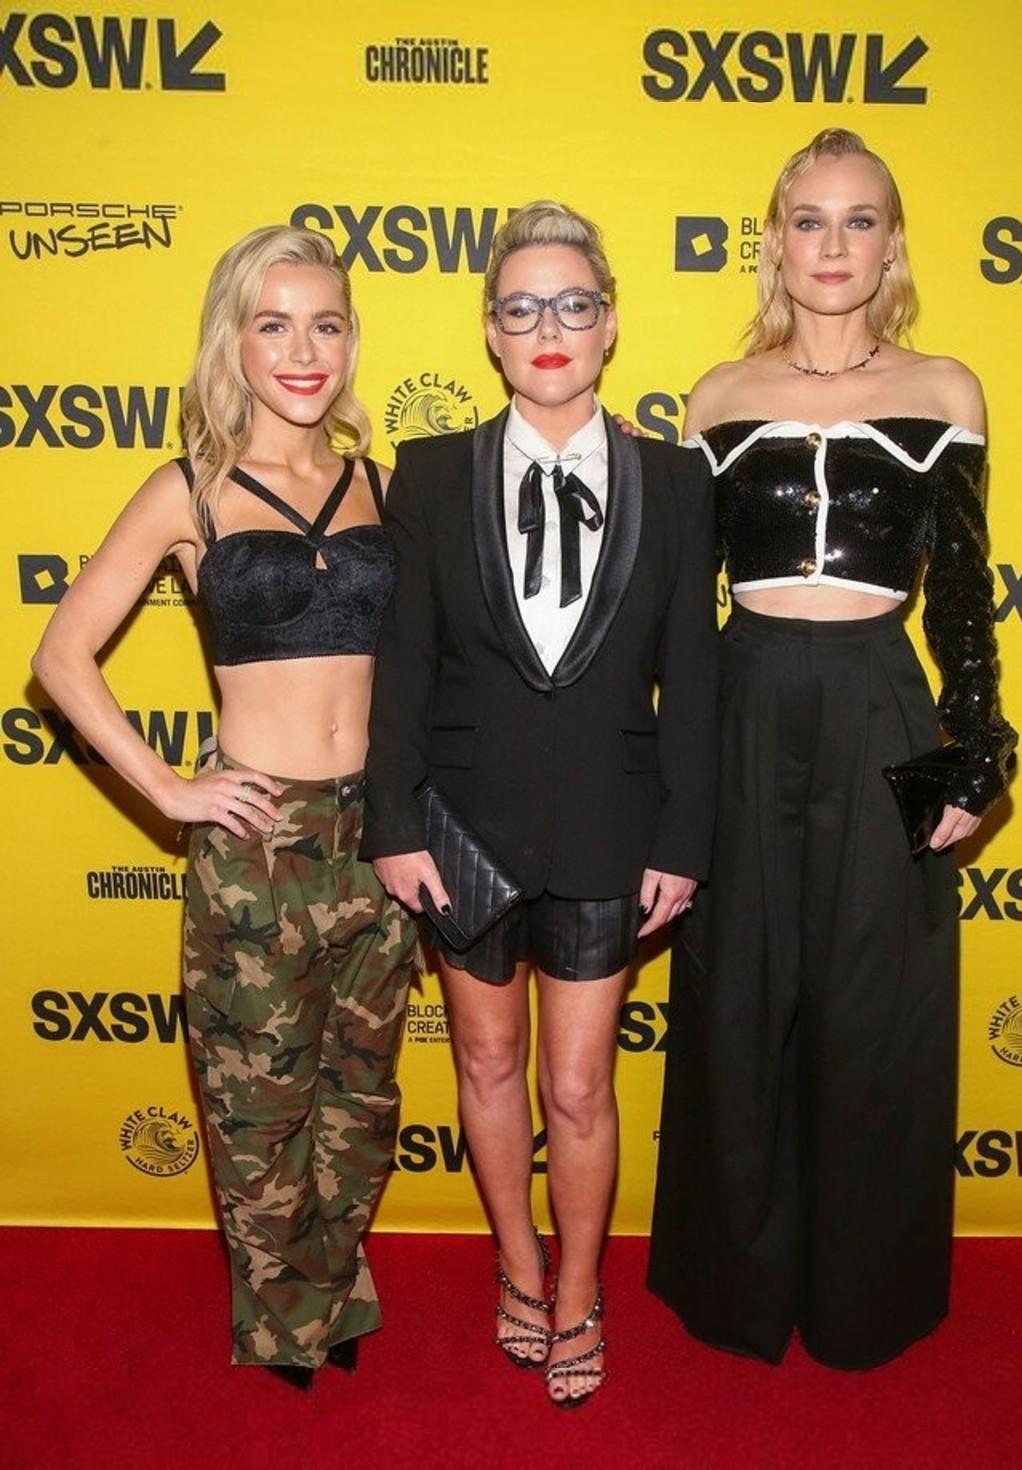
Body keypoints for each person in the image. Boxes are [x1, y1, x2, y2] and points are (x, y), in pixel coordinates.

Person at [648, 128, 1016, 1370]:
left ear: (892, 242)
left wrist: (978, 753)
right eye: (810, 219)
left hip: (882, 706)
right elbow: (682, 614)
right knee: (737, 994)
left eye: (861, 220)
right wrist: (663, 775)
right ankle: (737, 1290)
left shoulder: (946, 390)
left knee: (878, 1002)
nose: (834, 244)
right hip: (745, 700)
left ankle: (866, 1297)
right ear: (775, 241)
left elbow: (960, 598)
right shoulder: (716, 397)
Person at [31, 225, 417, 1388]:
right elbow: (60, 657)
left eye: (326, 325)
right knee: (258, 1111)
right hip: (258, 843)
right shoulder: (187, 489)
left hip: (381, 838)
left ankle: (331, 1287)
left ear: (351, 340)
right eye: (274, 324)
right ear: (232, 341)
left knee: (361, 1099)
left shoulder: (387, 485)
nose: (304, 351)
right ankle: (285, 1323)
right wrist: (168, 788)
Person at [361, 201, 720, 1405]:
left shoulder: (676, 480)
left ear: (609, 323)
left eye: (573, 303)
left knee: (577, 1085)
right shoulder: (429, 473)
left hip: (614, 827)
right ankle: (515, 1265)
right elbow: (404, 662)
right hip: (461, 826)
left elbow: (695, 675)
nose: (548, 326)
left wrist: (684, 837)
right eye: (521, 307)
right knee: (485, 1059)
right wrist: (393, 823)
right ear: (491, 331)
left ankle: (578, 1290)